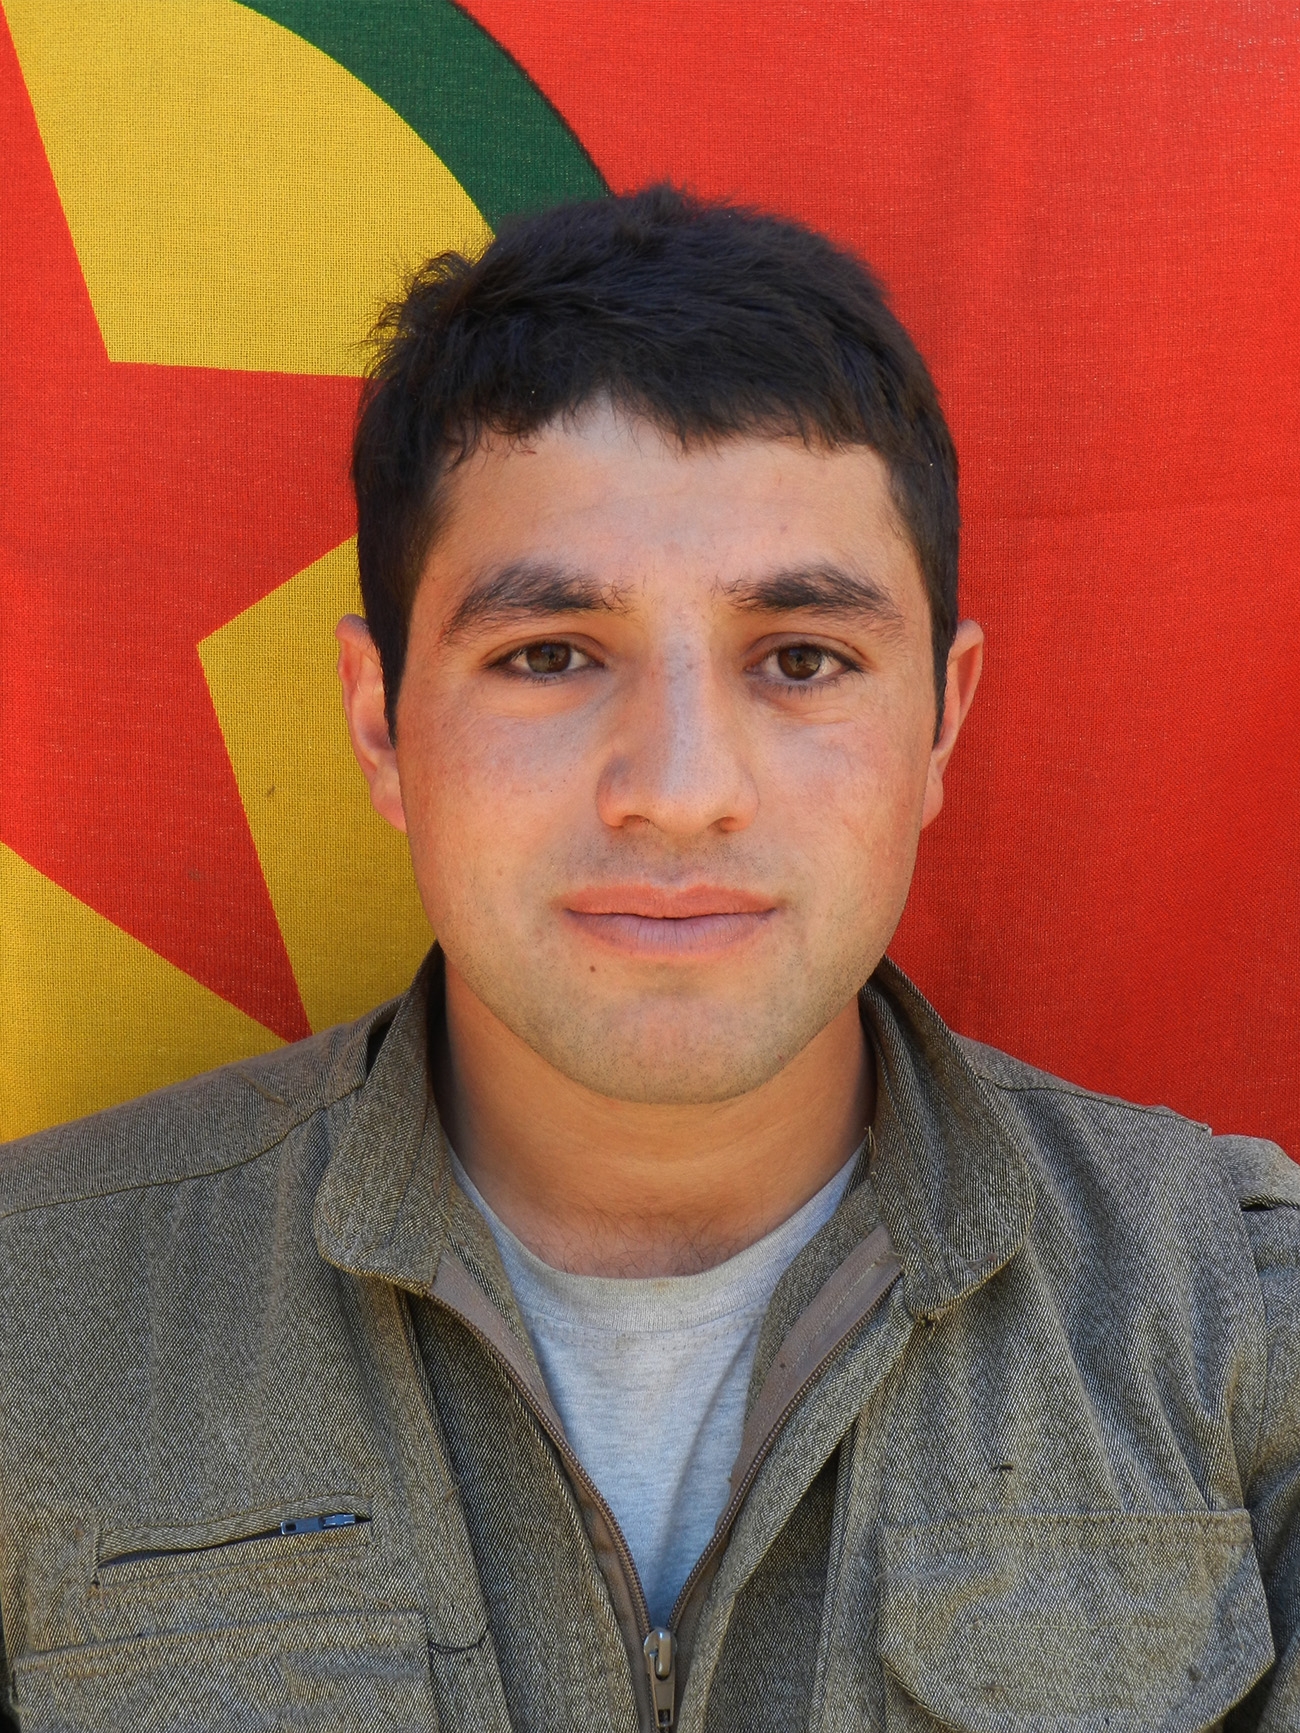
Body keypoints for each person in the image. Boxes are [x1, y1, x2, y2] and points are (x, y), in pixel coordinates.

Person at [0, 186, 1296, 1733]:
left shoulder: (1235, 1326)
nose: (679, 787)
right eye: (549, 655)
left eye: (802, 659)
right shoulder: (34, 1328)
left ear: (941, 721)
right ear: (380, 721)